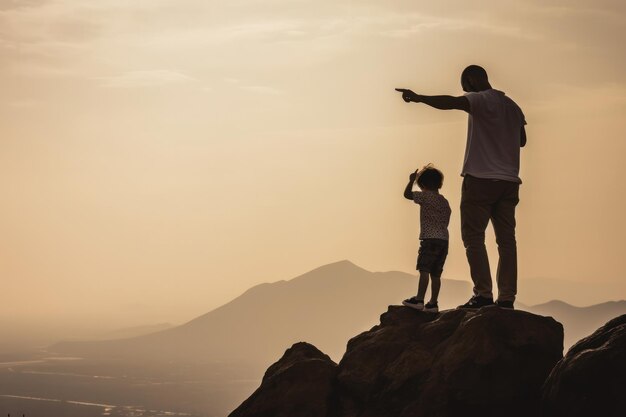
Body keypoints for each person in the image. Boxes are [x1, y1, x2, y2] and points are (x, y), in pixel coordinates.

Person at [396, 65, 526, 310]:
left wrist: (419, 97)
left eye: (465, 86)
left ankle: (484, 294)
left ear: (472, 80)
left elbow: (452, 102)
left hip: (480, 179)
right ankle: (507, 298)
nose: (465, 91)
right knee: (507, 241)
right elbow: (522, 140)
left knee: (474, 238)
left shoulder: (479, 99)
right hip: (509, 182)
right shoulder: (513, 107)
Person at [402, 165, 451, 313]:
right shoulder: (444, 201)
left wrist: (411, 181)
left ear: (422, 184)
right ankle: (433, 303)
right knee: (436, 274)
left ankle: (419, 299)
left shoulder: (425, 196)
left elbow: (407, 195)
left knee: (424, 270)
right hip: (444, 240)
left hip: (429, 239)